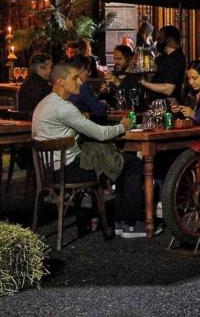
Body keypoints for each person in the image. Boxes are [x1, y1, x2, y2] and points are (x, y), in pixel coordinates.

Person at [32, 63, 149, 238]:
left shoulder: (44, 103)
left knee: (114, 159)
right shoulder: (64, 108)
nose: (79, 82)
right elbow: (101, 134)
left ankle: (120, 222)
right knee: (132, 163)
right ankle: (132, 226)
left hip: (50, 171)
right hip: (69, 171)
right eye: (74, 78)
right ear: (60, 82)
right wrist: (122, 126)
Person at [141, 25, 186, 102]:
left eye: (160, 39)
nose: (157, 43)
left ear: (170, 40)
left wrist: (143, 83)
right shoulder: (163, 57)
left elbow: (168, 89)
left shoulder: (175, 59)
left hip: (168, 105)